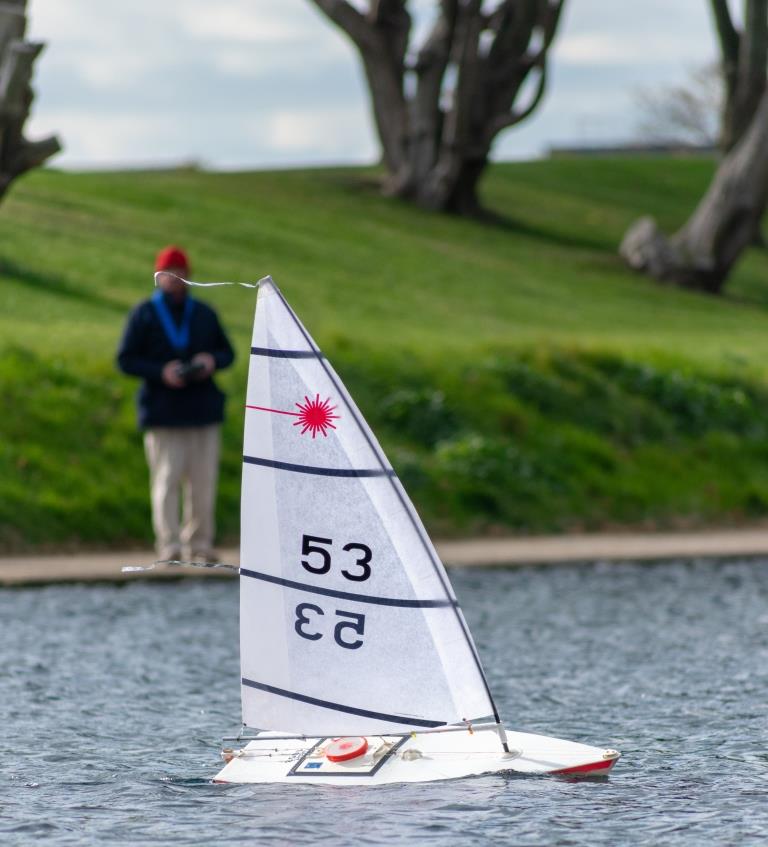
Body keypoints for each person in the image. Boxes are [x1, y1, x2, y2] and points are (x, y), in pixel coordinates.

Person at [117, 246, 235, 562]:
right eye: (169, 275)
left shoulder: (204, 314)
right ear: (158, 278)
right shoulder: (143, 314)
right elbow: (125, 359)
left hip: (202, 411)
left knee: (202, 484)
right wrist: (161, 372)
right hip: (162, 411)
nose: (176, 281)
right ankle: (168, 545)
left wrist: (210, 360)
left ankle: (199, 544)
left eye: (181, 275)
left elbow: (228, 353)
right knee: (165, 482)